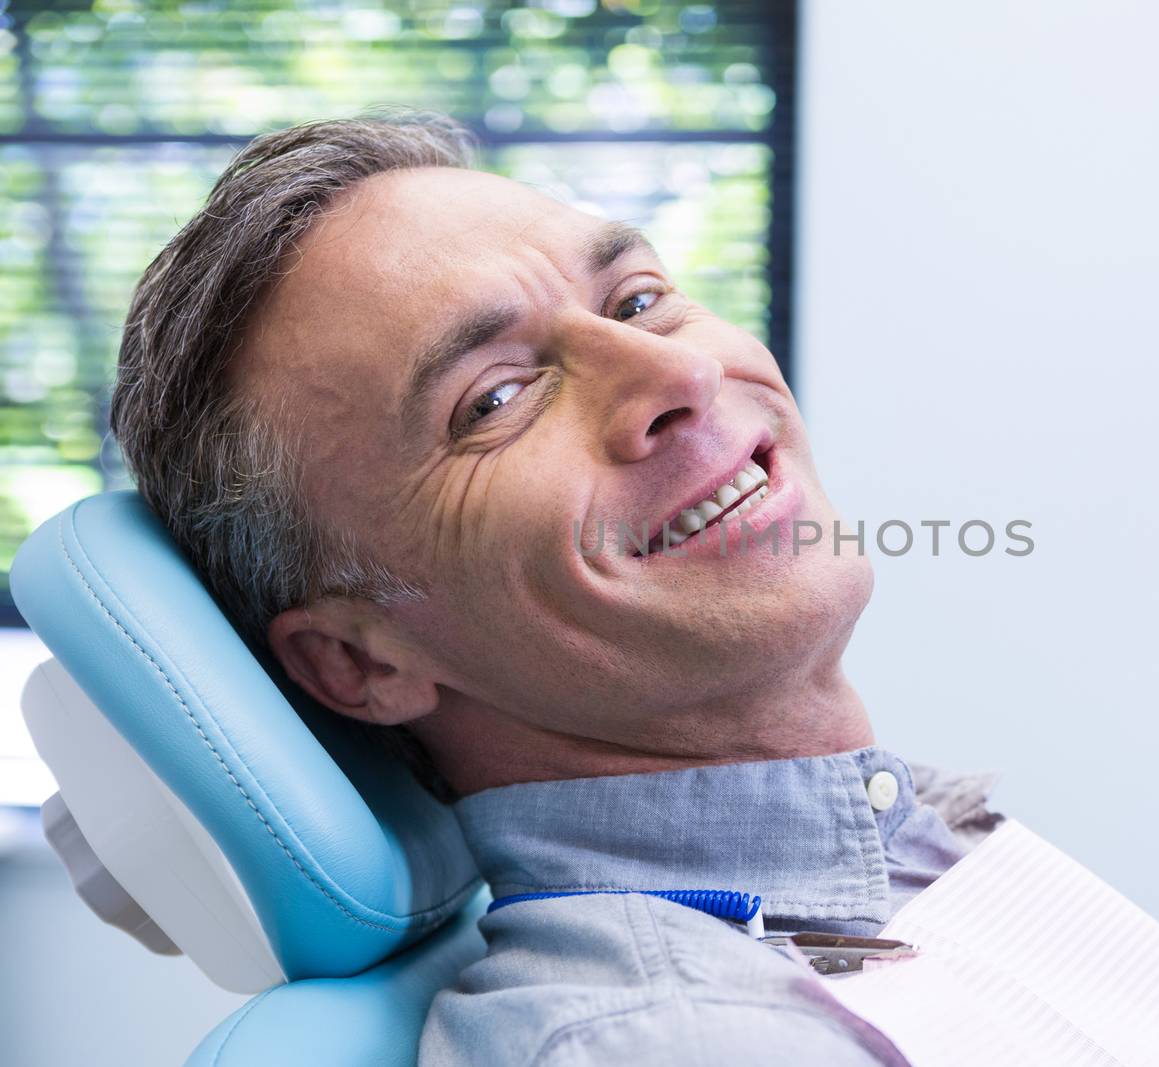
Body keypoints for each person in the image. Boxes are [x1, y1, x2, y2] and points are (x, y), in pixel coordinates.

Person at [110, 110, 1002, 1064]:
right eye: (493, 399)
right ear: (361, 659)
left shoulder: (918, 846)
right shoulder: (671, 1041)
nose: (682, 370)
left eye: (637, 300)